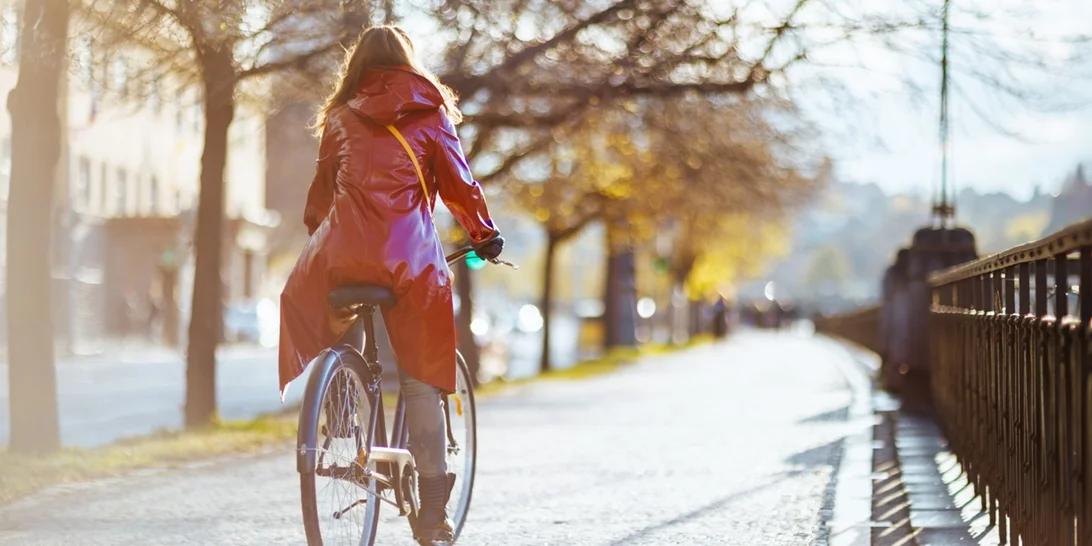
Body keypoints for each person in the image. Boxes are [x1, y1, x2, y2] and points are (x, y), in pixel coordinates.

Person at [278, 25, 503, 543]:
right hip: (409, 262)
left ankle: (340, 400)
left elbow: (319, 200)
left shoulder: (339, 117)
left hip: (343, 257)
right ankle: (430, 515)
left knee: (325, 300)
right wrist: (484, 235)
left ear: (356, 67)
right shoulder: (429, 115)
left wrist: (324, 237)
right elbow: (460, 187)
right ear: (407, 62)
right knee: (423, 376)